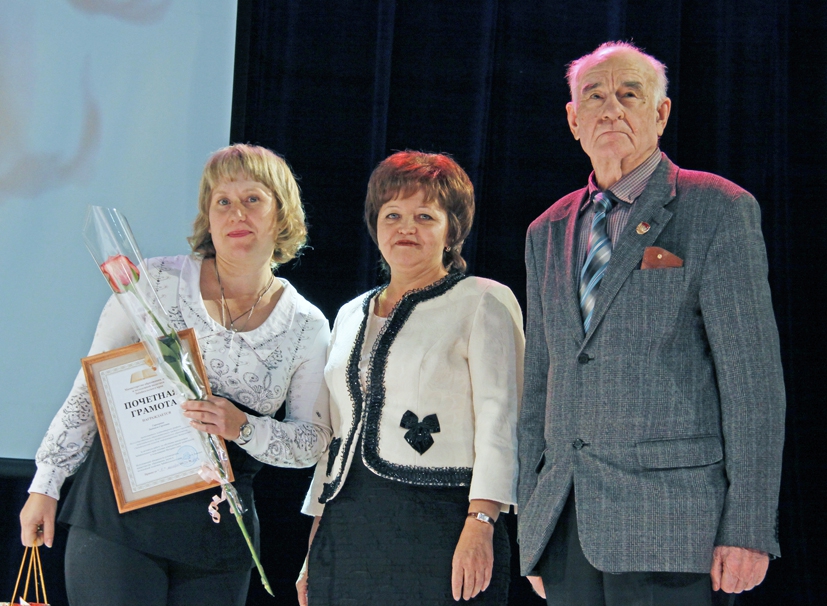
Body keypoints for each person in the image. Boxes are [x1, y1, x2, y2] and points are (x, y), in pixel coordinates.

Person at [517, 41, 786, 605]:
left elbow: (753, 383)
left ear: (660, 114)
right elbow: (539, 381)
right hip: (566, 524)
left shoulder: (718, 208)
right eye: (594, 96)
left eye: (629, 94)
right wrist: (532, 525)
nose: (610, 109)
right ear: (573, 120)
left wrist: (748, 527)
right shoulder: (546, 230)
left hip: (674, 526)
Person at [19, 144, 332, 605]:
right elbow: (89, 390)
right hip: (118, 521)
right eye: (222, 201)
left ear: (281, 215)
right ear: (208, 217)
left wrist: (244, 428)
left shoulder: (306, 325)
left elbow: (311, 442)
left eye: (252, 199)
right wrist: (45, 484)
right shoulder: (153, 282)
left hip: (217, 536)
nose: (236, 213)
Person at [295, 151, 524, 605]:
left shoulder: (483, 301)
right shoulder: (349, 314)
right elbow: (339, 434)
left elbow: (503, 421)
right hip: (348, 526)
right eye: (393, 215)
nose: (406, 228)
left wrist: (482, 521)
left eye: (424, 216)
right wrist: (314, 546)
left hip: (443, 522)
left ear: (451, 230)